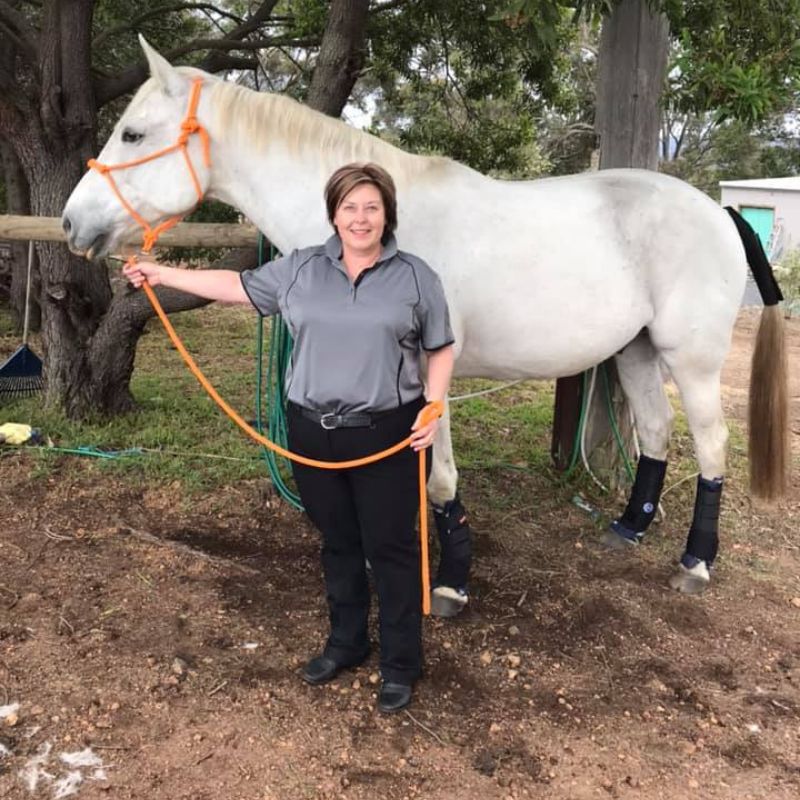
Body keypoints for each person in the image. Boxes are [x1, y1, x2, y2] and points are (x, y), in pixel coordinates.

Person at [123, 162, 455, 713]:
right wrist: (163, 274)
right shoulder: (301, 269)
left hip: (390, 433)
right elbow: (235, 286)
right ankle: (347, 642)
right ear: (333, 214)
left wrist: (435, 406)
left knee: (392, 548)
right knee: (338, 541)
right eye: (350, 207)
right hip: (312, 432)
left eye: (372, 207)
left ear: (387, 214)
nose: (361, 218)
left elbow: (439, 347)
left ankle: (401, 662)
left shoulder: (417, 278)